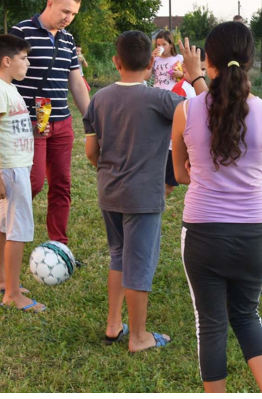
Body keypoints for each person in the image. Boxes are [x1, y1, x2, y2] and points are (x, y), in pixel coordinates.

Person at [172, 24, 262, 393]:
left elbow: (179, 174)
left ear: (208, 61)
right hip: (254, 233)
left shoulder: (185, 111)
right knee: (248, 316)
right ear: (251, 61)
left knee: (211, 324)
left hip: (203, 233)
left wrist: (199, 169)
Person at [83, 30, 206, 353]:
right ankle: (138, 336)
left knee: (118, 256)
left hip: (108, 191)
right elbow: (206, 112)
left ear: (116, 61)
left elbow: (90, 152)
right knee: (139, 264)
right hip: (144, 198)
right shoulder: (160, 99)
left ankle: (114, 324)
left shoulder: (99, 99)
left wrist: (105, 168)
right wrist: (196, 77)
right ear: (152, 63)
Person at [9, 0, 90, 246]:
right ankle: (5, 226)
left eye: (74, 14)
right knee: (32, 183)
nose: (68, 18)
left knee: (61, 185)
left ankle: (58, 244)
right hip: (32, 122)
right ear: (50, 3)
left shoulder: (67, 39)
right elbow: (6, 75)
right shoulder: (22, 31)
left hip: (61, 122)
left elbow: (76, 83)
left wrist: (90, 118)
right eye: (65, 11)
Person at [0, 35, 44, 312]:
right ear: (7, 61)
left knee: (4, 224)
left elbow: (9, 128)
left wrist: (34, 130)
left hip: (17, 166)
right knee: (18, 230)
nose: (27, 63)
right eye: (23, 58)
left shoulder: (8, 88)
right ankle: (12, 294)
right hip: (11, 169)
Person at [165, 49, 205, 196]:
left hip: (187, 142)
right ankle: (153, 209)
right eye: (199, 69)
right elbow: (175, 115)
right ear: (185, 68)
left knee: (171, 183)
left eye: (204, 69)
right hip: (173, 146)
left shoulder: (194, 87)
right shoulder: (181, 88)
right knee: (168, 184)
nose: (202, 73)